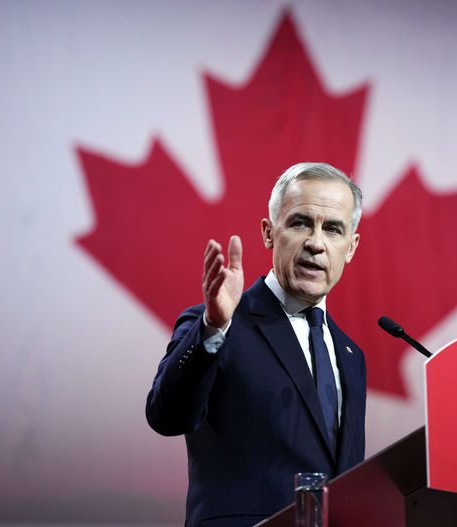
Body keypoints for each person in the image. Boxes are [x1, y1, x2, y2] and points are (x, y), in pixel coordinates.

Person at [146, 162, 366, 527]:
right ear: (268, 233)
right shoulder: (219, 324)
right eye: (300, 223)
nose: (315, 243)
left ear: (351, 246)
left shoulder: (350, 354)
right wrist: (213, 328)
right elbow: (166, 415)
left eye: (332, 229)